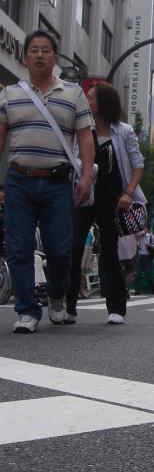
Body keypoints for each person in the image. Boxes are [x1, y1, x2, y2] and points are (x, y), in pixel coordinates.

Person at [0, 31, 95, 333]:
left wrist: (87, 174)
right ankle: (27, 311)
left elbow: (84, 136)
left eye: (45, 50)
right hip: (18, 180)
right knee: (18, 247)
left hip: (57, 183)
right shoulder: (9, 94)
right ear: (25, 57)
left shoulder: (73, 93)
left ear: (54, 56)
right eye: (33, 50)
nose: (39, 55)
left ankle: (56, 297)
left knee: (59, 249)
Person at [65, 83, 146, 325]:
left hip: (112, 198)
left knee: (109, 250)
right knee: (74, 246)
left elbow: (137, 164)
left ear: (102, 103)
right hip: (83, 194)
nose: (86, 100)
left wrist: (129, 193)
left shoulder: (123, 131)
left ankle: (116, 307)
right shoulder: (81, 130)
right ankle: (68, 306)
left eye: (90, 97)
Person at [135, 227, 154, 294]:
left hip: (148, 256)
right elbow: (135, 238)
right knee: (138, 273)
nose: (143, 230)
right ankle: (137, 290)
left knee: (148, 273)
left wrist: (150, 246)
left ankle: (153, 289)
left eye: (145, 229)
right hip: (140, 255)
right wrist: (141, 234)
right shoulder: (139, 236)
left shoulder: (151, 236)